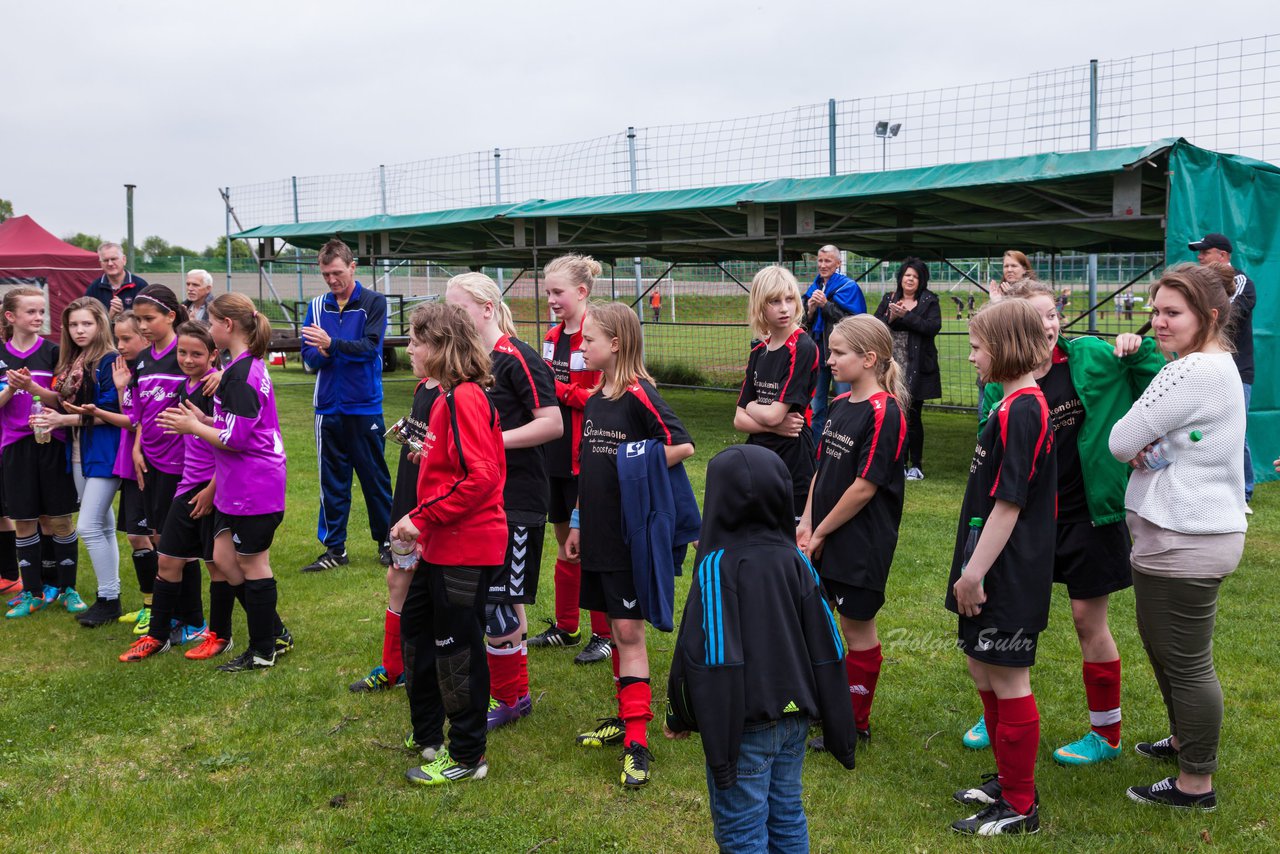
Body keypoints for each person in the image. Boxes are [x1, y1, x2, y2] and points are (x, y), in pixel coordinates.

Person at [961, 279, 1164, 766]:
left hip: (1088, 517)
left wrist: (1136, 351)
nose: (1048, 325)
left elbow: (1159, 381)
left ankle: (1106, 733)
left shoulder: (1090, 356)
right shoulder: (1002, 385)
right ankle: (1001, 709)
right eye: (1036, 317)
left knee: (1086, 621)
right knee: (1005, 616)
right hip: (1029, 524)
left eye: (1053, 315)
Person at [664, 444, 857, 852]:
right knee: (787, 816)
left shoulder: (717, 566)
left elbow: (706, 654)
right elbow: (829, 643)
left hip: (742, 726)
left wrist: (680, 715)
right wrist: (837, 718)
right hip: (795, 720)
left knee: (743, 831)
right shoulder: (797, 561)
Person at [1109, 263, 1247, 812]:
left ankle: (1196, 784)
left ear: (1208, 316)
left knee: (1186, 662)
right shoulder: (1213, 365)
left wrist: (1149, 438)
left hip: (1184, 540)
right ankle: (1184, 741)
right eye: (1156, 311)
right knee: (1170, 653)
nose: (1158, 323)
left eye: (1172, 313)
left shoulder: (1190, 372)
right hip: (1187, 534)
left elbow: (1122, 440)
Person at [567, 301, 695, 787]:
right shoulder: (596, 396)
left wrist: (633, 462)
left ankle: (638, 744)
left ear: (616, 344)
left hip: (627, 537)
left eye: (589, 340)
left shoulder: (640, 394)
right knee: (615, 632)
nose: (581, 347)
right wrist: (577, 521)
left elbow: (681, 444)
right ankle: (626, 716)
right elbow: (588, 468)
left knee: (628, 634)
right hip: (596, 534)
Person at [947, 299, 1055, 836]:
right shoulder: (1009, 404)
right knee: (982, 666)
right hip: (985, 562)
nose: (971, 357)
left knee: (1010, 677)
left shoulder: (1026, 409)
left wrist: (974, 574)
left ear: (1006, 348)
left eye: (976, 347)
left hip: (1006, 570)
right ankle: (1009, 780)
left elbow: (1009, 504)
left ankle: (1020, 806)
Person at [392, 301, 507, 786]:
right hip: (441, 542)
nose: (411, 349)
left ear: (441, 346)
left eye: (417, 341)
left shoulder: (464, 398)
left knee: (457, 646)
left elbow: (482, 478)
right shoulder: (444, 398)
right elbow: (461, 465)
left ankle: (467, 755)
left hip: (467, 545)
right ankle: (429, 737)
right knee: (417, 630)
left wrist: (423, 517)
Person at [444, 273, 561, 729]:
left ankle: (510, 698)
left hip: (518, 499)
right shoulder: (471, 362)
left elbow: (551, 424)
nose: (452, 317)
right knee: (496, 599)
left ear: (487, 308)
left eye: (459, 309)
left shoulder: (518, 358)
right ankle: (514, 690)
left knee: (500, 602)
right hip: (483, 498)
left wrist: (489, 442)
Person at [161, 293, 292, 672]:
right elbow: (238, 428)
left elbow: (236, 440)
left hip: (255, 485)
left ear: (227, 326)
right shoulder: (241, 368)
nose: (209, 326)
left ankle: (264, 649)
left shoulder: (241, 375)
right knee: (223, 558)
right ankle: (275, 631)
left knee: (253, 565)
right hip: (240, 485)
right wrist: (204, 419)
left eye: (212, 321)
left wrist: (194, 426)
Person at [798, 314, 907, 750]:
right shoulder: (841, 405)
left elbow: (864, 487)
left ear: (869, 358)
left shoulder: (887, 412)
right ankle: (830, 705)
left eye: (838, 353)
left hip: (860, 543)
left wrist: (821, 533)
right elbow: (822, 470)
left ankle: (854, 723)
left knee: (857, 629)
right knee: (826, 623)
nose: (829, 361)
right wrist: (806, 522)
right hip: (824, 531)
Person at [528, 254, 613, 665]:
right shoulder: (551, 335)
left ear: (582, 292)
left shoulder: (598, 335)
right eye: (547, 292)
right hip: (553, 456)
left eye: (557, 292)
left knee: (592, 545)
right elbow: (546, 386)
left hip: (588, 456)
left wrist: (559, 391)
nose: (552, 300)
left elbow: (600, 396)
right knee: (565, 543)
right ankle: (566, 626)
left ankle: (605, 633)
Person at [123, 321, 224, 659]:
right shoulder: (183, 388)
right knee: (167, 559)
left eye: (197, 354)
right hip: (186, 485)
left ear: (213, 354)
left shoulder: (215, 391)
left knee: (218, 566)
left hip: (213, 488)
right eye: (182, 352)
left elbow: (230, 445)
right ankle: (158, 635)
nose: (188, 359)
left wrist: (212, 489)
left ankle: (221, 635)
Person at [300, 238, 393, 571]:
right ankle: (334, 549)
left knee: (375, 479)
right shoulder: (315, 307)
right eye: (325, 274)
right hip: (328, 409)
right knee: (332, 481)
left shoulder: (374, 302)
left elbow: (370, 347)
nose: (331, 280)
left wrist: (331, 345)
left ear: (353, 267)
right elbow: (308, 354)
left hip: (364, 406)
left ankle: (388, 542)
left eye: (337, 272)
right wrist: (325, 350)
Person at [36, 299, 128, 626]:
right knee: (101, 525)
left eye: (86, 324)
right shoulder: (73, 360)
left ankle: (108, 598)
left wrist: (63, 421)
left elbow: (114, 416)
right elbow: (64, 403)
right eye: (73, 325)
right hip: (78, 451)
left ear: (100, 324)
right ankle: (110, 596)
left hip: (104, 452)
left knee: (88, 526)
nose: (79, 331)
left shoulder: (109, 360)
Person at [349, 373, 438, 694]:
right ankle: (393, 667)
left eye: (417, 343)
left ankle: (417, 665)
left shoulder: (449, 393)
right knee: (397, 579)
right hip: (407, 506)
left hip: (431, 510)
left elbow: (447, 457)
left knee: (429, 589)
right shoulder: (422, 388)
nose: (410, 349)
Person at [0, 287, 83, 619]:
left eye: (41, 312)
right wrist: (11, 389)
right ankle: (31, 592)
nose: (39, 318)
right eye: (31, 312)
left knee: (59, 519)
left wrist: (36, 389)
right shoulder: (1, 355)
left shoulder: (53, 353)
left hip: (52, 441)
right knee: (24, 520)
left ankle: (67, 588)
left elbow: (63, 403)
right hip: (14, 448)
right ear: (11, 317)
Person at [733, 265, 818, 521]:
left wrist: (753, 408)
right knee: (758, 531)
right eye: (774, 301)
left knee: (791, 540)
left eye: (790, 299)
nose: (784, 308)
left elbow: (773, 414)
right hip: (759, 456)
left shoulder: (802, 347)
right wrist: (770, 424)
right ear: (760, 306)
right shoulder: (759, 351)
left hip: (793, 459)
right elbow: (738, 420)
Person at [1189, 233, 1255, 511]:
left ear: (1223, 256)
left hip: (1237, 371)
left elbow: (1230, 315)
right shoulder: (1199, 286)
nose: (1200, 257)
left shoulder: (1240, 282)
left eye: (1205, 252)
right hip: (1204, 367)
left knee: (1236, 431)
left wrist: (1201, 313)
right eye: (1199, 253)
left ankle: (1244, 492)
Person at [110, 311, 161, 633]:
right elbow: (131, 414)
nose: (120, 345)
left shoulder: (154, 371)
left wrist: (90, 413)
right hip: (130, 464)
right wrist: (120, 390)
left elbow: (135, 421)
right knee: (135, 535)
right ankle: (149, 603)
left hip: (147, 463)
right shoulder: (131, 371)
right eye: (117, 339)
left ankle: (162, 607)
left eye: (126, 338)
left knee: (149, 535)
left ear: (146, 337)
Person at [873, 258, 941, 480]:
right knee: (893, 414)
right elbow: (874, 327)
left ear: (921, 280)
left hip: (917, 367)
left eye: (915, 276)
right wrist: (891, 316)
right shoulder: (889, 299)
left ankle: (916, 465)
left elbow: (932, 327)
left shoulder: (929, 300)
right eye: (906, 275)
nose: (910, 279)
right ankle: (898, 463)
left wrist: (907, 316)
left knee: (913, 416)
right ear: (900, 278)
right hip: (892, 366)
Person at [803, 245, 866, 444]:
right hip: (818, 354)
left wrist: (826, 306)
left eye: (828, 261)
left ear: (838, 263)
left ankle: (844, 448)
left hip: (842, 355)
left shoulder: (849, 287)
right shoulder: (813, 288)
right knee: (817, 406)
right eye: (820, 261)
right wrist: (811, 310)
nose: (823, 265)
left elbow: (855, 322)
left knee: (846, 402)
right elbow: (804, 324)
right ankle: (815, 453)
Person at [85, 242, 148, 319]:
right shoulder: (94, 288)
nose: (110, 263)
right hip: (105, 331)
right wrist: (109, 316)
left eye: (114, 259)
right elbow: (88, 320)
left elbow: (146, 319)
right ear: (100, 263)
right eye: (105, 260)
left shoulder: (141, 286)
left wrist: (124, 314)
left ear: (124, 260)